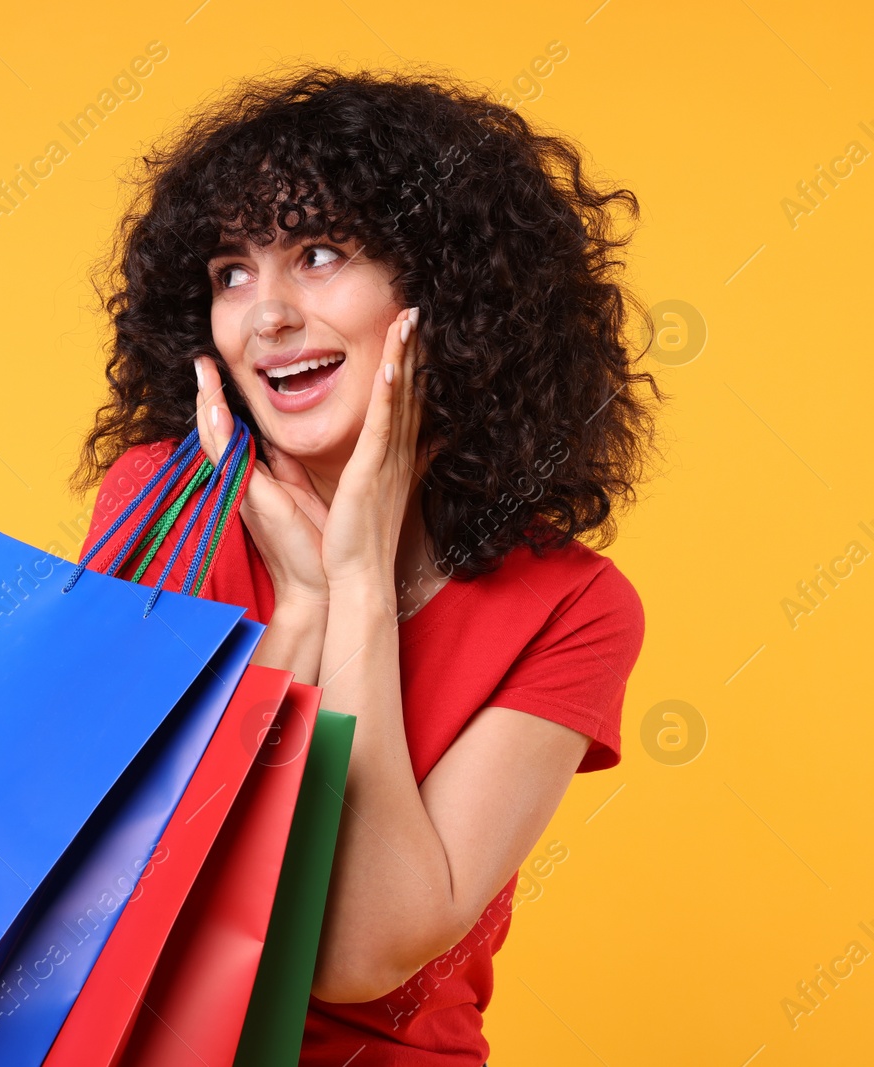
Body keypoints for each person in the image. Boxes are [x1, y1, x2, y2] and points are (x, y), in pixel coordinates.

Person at [74, 65, 661, 1066]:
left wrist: (355, 594)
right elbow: (103, 872)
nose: (265, 316)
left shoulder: (572, 609)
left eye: (315, 254)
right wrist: (299, 608)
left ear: (444, 287)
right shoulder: (156, 505)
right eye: (230, 271)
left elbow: (354, 952)